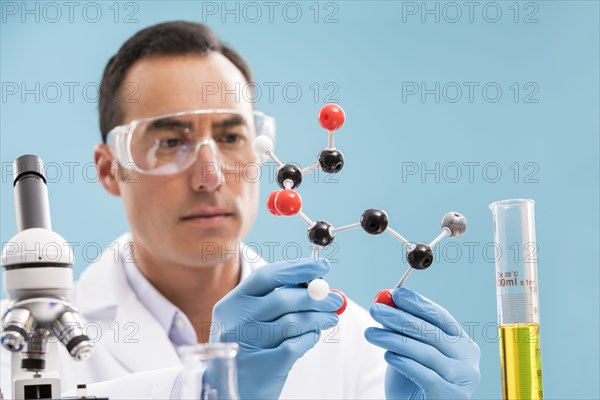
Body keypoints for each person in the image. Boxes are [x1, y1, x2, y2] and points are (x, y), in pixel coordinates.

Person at [1, 21, 480, 399]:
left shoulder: (357, 344)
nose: (210, 176)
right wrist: (213, 390)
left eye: (231, 138)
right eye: (170, 141)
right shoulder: (20, 348)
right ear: (109, 170)